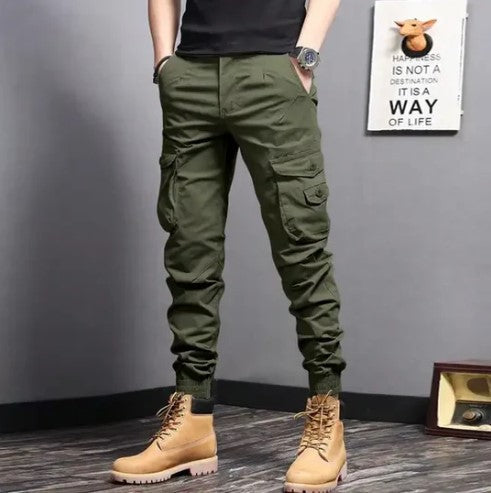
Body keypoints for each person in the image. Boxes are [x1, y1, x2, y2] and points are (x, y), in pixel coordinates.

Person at [111, 0, 347, 491]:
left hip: (273, 71)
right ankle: (192, 420)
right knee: (188, 250)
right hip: (191, 75)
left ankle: (327, 418)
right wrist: (164, 61)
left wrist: (306, 54)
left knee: (302, 248)